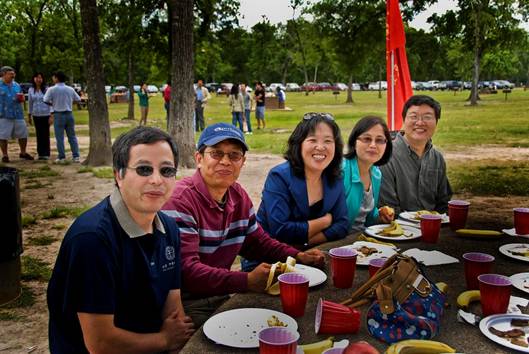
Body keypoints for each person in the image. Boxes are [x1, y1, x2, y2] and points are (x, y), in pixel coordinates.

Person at [47, 126, 194, 353]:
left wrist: (173, 342)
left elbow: (173, 307)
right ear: (119, 174)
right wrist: (165, 340)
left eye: (167, 171)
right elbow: (100, 344)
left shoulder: (169, 228)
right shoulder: (92, 240)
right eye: (144, 169)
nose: (157, 180)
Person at [162, 123, 324, 327]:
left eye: (234, 155)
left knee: (291, 319)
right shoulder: (180, 201)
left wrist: (297, 255)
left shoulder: (238, 195)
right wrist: (246, 280)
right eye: (216, 153)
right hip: (184, 304)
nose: (225, 161)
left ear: (243, 162)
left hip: (219, 294)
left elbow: (258, 242)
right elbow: (187, 271)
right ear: (199, 159)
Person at [256, 113, 349, 250]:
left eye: (328, 141)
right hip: (267, 260)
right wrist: (325, 221)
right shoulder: (279, 176)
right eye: (312, 140)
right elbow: (280, 230)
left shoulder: (335, 177)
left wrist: (305, 244)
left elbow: (342, 225)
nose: (321, 147)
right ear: (299, 144)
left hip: (311, 254)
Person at [379, 95, 452, 215]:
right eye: (414, 117)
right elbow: (388, 207)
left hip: (433, 226)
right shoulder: (386, 155)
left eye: (427, 117)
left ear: (436, 122)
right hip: (398, 228)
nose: (420, 123)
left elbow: (443, 202)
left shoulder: (437, 158)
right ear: (404, 120)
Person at [342, 116, 394, 232]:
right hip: (337, 242)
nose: (373, 145)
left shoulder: (376, 174)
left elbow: (367, 218)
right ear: (354, 142)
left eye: (380, 140)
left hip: (362, 238)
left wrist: (380, 216)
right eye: (366, 139)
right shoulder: (341, 170)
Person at [43, 71, 81, 163]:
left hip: (58, 114)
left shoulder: (51, 89)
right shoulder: (70, 89)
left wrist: (53, 103)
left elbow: (45, 100)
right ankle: (76, 156)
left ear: (56, 78)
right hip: (69, 113)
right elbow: (78, 99)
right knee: (72, 136)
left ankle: (62, 157)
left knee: (59, 137)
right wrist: (69, 103)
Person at [0, 66, 34, 163]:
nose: (13, 75)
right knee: (3, 136)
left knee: (23, 134)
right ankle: (5, 155)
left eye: (13, 73)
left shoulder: (16, 85)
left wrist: (22, 98)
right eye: (10, 74)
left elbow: (21, 95)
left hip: (17, 113)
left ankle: (23, 153)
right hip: (3, 114)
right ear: (3, 74)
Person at [28, 72, 53, 160]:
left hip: (46, 114)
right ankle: (40, 153)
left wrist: (51, 115)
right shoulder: (31, 89)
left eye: (40, 78)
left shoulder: (47, 89)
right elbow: (30, 103)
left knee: (45, 134)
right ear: (34, 79)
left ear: (42, 79)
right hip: (36, 115)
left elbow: (51, 103)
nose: (38, 79)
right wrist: (29, 114)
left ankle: (46, 153)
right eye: (36, 77)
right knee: (39, 134)